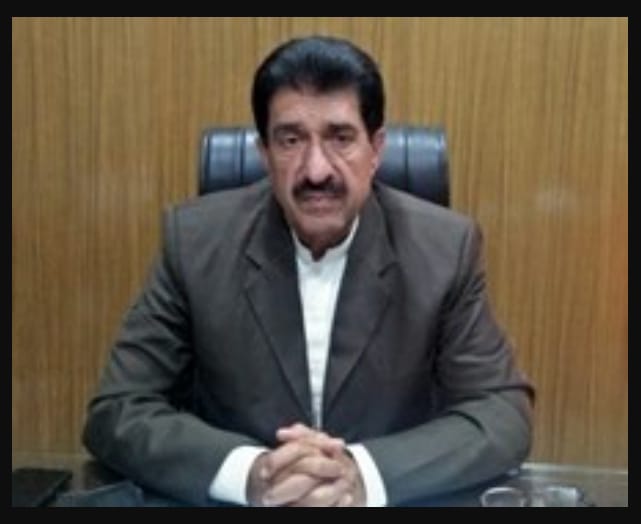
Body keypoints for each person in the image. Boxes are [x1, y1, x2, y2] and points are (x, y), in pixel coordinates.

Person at [83, 35, 534, 507]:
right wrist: (251, 474)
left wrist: (361, 474)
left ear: (376, 149)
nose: (317, 170)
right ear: (264, 153)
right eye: (291, 140)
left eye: (341, 138)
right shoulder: (194, 242)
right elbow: (118, 409)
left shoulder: (444, 248)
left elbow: (501, 414)